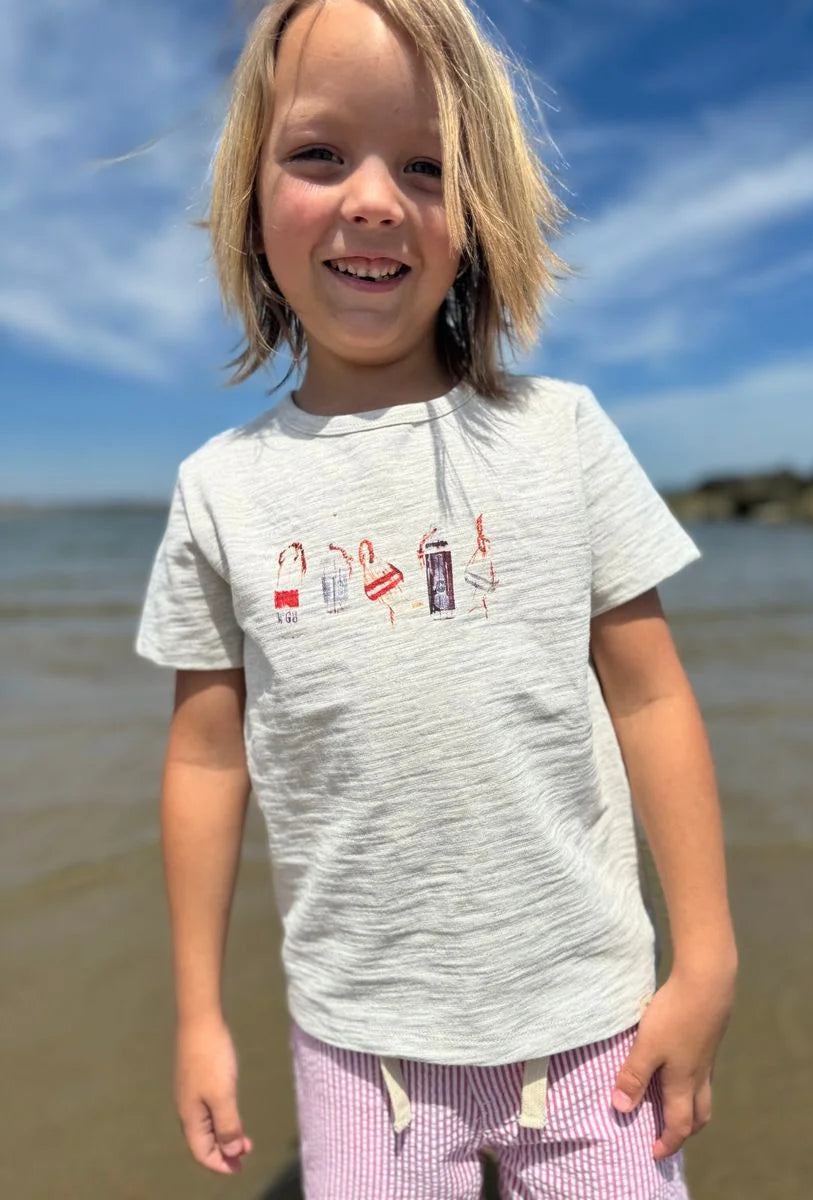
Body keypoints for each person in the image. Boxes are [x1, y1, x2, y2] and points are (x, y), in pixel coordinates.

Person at [135, 0, 738, 1196]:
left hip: (593, 1031)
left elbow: (652, 698)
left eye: (427, 166)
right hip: (363, 1056)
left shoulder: (561, 436)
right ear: (253, 201)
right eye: (319, 154)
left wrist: (707, 956)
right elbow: (207, 760)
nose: (371, 198)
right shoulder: (220, 491)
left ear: (482, 217)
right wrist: (200, 1015)